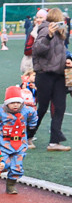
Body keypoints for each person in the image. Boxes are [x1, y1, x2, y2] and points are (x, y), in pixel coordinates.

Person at [31, 8, 72, 151]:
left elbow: (61, 53)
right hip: (45, 74)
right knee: (42, 108)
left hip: (59, 75)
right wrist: (48, 35)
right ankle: (28, 136)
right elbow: (37, 50)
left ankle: (54, 142)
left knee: (60, 107)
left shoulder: (61, 35)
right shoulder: (44, 30)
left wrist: (68, 59)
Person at [0, 86, 39, 193]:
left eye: (18, 102)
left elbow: (34, 114)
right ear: (7, 103)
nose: (15, 105)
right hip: (4, 144)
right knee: (3, 163)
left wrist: (32, 125)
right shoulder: (0, 111)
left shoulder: (26, 110)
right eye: (12, 103)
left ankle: (11, 185)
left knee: (17, 166)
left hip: (20, 144)